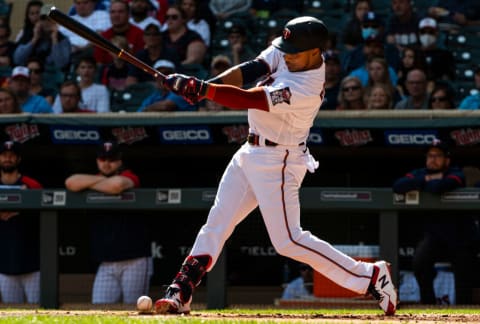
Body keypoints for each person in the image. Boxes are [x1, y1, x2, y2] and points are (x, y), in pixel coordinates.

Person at [154, 16, 397, 316]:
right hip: (250, 150)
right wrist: (203, 86)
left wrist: (204, 90)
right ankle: (182, 288)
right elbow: (251, 70)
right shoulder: (289, 51)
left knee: (288, 240)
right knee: (217, 221)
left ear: (314, 52)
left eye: (293, 51)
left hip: (279, 160)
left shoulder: (306, 85)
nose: (286, 54)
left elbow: (251, 98)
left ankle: (369, 276)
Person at [65, 141, 152, 304]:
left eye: (111, 159)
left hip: (135, 259)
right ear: (97, 160)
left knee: (135, 309)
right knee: (98, 308)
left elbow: (116, 185)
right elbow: (71, 182)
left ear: (119, 160)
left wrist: (91, 184)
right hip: (107, 262)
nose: (106, 163)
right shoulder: (96, 178)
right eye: (102, 159)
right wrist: (98, 182)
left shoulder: (129, 176)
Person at [392, 139, 477, 304]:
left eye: (438, 156)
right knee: (420, 263)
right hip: (435, 234)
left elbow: (441, 186)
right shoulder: (420, 172)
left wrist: (425, 183)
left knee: (464, 273)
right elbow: (399, 185)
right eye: (430, 155)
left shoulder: (456, 172)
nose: (433, 159)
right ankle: (428, 305)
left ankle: (464, 313)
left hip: (461, 233)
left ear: (447, 159)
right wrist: (427, 179)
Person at [0, 140, 43, 303]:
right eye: (4, 155)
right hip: (4, 265)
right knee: (11, 314)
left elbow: (44, 215)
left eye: (12, 156)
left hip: (32, 264)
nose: (7, 159)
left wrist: (21, 208)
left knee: (40, 312)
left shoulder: (32, 185)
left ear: (18, 159)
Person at [94, 0, 145, 66]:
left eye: (120, 12)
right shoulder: (103, 37)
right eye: (113, 12)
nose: (116, 15)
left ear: (128, 14)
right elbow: (99, 64)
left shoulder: (140, 35)